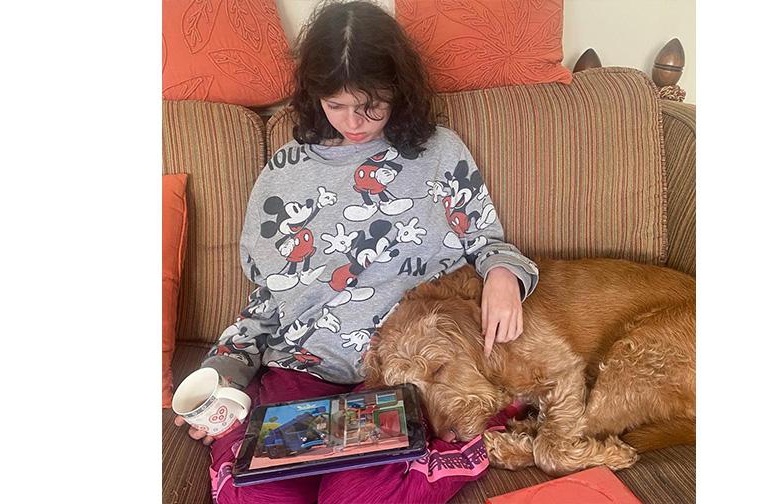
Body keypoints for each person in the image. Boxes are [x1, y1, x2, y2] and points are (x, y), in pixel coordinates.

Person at [173, 2, 539, 503]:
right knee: (256, 495)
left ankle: (473, 438)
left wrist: (503, 274)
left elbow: (487, 241)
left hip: (405, 373)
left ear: (398, 91)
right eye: (336, 104)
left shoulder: (438, 152)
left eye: (371, 105)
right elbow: (265, 303)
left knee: (356, 497)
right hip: (302, 370)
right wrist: (222, 375)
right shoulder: (284, 172)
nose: (354, 122)